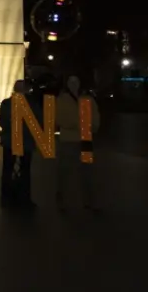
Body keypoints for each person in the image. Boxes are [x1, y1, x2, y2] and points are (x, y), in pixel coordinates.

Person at [56, 75, 101, 213]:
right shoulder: (62, 100)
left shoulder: (87, 99)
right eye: (71, 82)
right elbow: (59, 118)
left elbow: (95, 117)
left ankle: (89, 201)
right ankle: (64, 201)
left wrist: (92, 126)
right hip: (69, 140)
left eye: (76, 82)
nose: (74, 84)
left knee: (87, 172)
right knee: (66, 172)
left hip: (85, 140)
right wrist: (80, 124)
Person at [0, 80, 39, 209]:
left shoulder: (6, 103)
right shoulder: (32, 104)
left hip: (11, 141)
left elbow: (1, 120)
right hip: (25, 141)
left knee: (8, 169)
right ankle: (24, 197)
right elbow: (38, 119)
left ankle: (7, 197)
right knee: (24, 171)